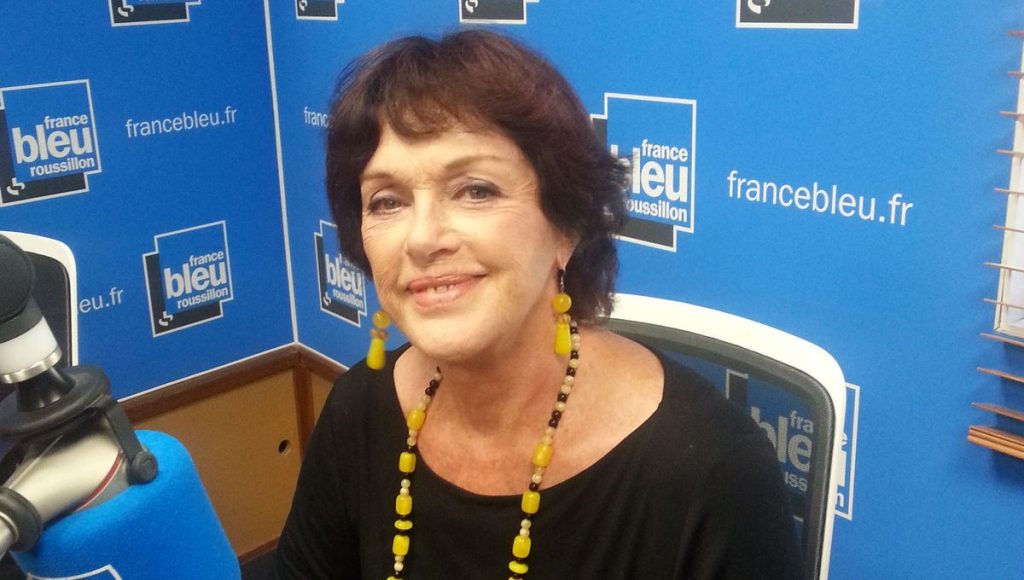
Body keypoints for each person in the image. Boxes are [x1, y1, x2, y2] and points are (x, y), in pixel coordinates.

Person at [274, 30, 802, 580]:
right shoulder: (358, 411)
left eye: (476, 190)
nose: (423, 239)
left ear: (566, 224)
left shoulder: (713, 473)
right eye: (387, 201)